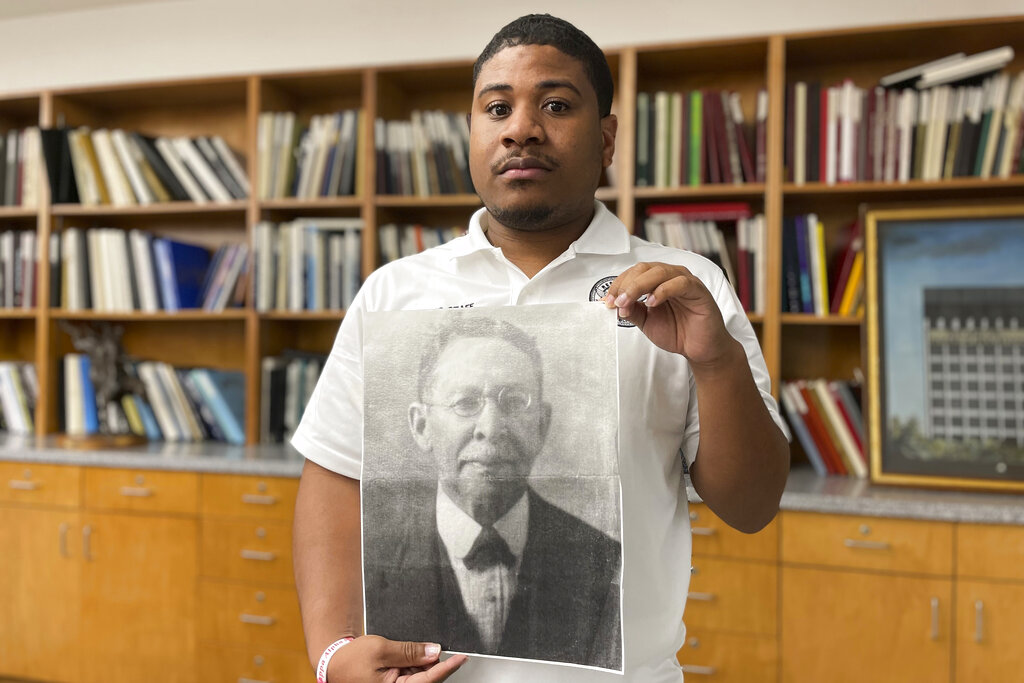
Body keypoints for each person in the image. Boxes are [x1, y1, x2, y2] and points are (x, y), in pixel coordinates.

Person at [291, 13, 790, 683]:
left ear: (606, 137)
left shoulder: (686, 289)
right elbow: (334, 476)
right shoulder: (394, 293)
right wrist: (328, 655)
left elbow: (752, 505)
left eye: (555, 105)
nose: (521, 127)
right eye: (497, 107)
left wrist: (715, 358)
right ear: (472, 132)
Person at [361, 316, 621, 670]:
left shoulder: (603, 561)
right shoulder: (372, 563)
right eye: (465, 402)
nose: (491, 428)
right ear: (422, 427)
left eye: (514, 402)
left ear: (542, 425)